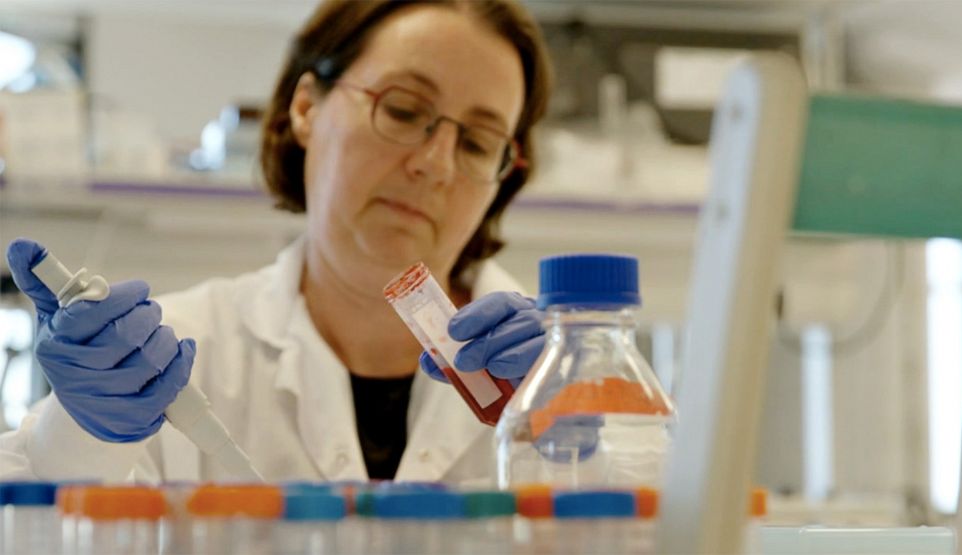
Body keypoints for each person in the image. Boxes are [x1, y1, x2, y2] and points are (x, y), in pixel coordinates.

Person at [0, 0, 552, 486]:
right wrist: (78, 441)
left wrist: (579, 420)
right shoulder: (166, 360)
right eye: (403, 110)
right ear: (307, 106)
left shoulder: (557, 373)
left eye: (479, 143)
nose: (434, 164)